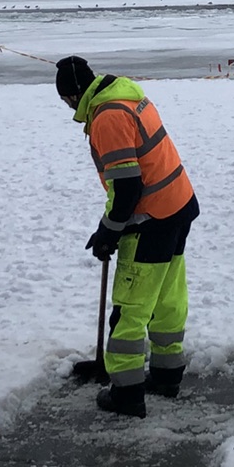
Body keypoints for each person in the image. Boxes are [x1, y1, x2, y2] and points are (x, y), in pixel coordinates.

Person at [55, 55, 199, 418]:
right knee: (166, 301)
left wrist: (109, 231)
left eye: (64, 100)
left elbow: (128, 186)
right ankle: (167, 376)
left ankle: (127, 393)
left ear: (73, 95)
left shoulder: (107, 117)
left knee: (130, 310)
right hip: (178, 205)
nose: (67, 107)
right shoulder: (125, 94)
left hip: (151, 217)